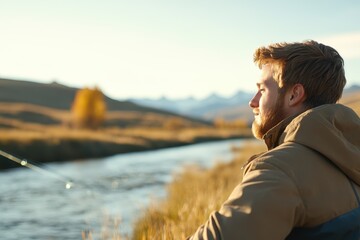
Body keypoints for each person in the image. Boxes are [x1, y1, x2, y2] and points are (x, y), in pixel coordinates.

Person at [188, 40, 360, 239]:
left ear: (294, 95)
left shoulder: (281, 170)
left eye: (262, 90)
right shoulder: (350, 152)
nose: (253, 102)